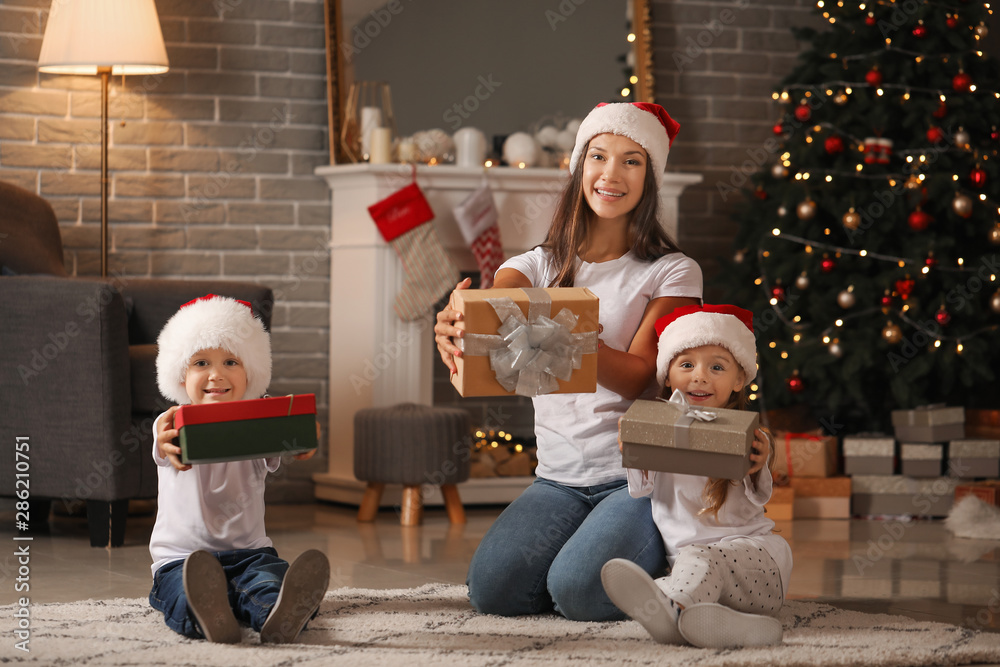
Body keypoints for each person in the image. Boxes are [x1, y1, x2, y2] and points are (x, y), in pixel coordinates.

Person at [434, 102, 703, 621]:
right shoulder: (535, 264)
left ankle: (676, 572)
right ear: (580, 166)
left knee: (579, 591)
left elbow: (639, 376)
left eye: (632, 161)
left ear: (651, 178)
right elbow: (496, 311)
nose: (610, 174)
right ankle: (598, 559)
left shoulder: (672, 272)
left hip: (637, 479)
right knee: (492, 592)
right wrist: (456, 321)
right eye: (598, 156)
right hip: (556, 479)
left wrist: (560, 329)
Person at [601, 304, 792, 649]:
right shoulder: (661, 429)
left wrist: (758, 461)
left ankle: (674, 607)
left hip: (759, 568)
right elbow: (642, 489)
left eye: (716, 367)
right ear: (668, 375)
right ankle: (731, 627)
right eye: (686, 365)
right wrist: (632, 446)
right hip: (703, 582)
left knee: (695, 559)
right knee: (670, 578)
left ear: (738, 380)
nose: (700, 376)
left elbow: (757, 490)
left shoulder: (748, 436)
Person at [148, 294, 330, 644]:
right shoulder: (172, 422)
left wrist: (305, 434)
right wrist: (167, 441)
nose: (216, 374)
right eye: (201, 362)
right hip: (183, 561)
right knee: (184, 597)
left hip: (251, 556)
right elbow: (164, 439)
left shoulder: (259, 421)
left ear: (251, 373)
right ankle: (211, 613)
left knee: (268, 586)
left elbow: (293, 433)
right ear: (180, 375)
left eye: (231, 361)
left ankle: (276, 612)